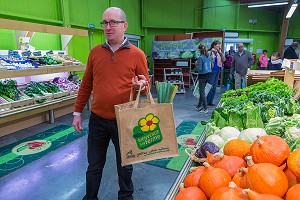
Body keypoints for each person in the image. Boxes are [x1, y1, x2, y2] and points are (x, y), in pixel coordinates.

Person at [72, 7, 150, 200]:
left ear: (125, 25)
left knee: (125, 163)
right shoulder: (95, 53)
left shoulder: (137, 54)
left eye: (113, 22)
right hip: (97, 119)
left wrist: (141, 85)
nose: (108, 27)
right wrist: (77, 112)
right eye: (105, 23)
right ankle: (90, 197)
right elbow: (86, 84)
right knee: (94, 164)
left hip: (125, 120)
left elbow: (147, 86)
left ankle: (125, 196)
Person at [206, 40, 225, 106]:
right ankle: (206, 101)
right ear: (214, 45)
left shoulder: (218, 52)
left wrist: (221, 53)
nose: (219, 46)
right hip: (212, 71)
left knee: (214, 87)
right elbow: (206, 61)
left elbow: (224, 59)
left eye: (219, 45)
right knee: (210, 86)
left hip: (218, 70)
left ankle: (210, 101)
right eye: (218, 45)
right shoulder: (209, 52)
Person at [195, 44, 212, 113]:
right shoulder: (209, 56)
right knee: (202, 91)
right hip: (208, 75)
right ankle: (199, 105)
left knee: (202, 92)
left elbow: (199, 69)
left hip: (202, 76)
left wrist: (196, 64)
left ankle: (205, 108)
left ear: (199, 50)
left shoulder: (200, 57)